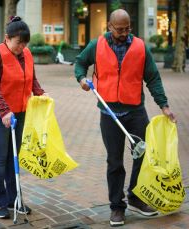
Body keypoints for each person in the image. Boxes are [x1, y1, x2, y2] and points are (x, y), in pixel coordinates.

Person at [75, 9, 176, 227]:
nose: (124, 33)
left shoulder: (140, 47)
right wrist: (81, 78)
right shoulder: (96, 45)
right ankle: (116, 208)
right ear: (109, 27)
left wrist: (164, 105)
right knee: (115, 161)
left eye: (127, 28)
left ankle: (136, 197)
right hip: (109, 113)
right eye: (119, 29)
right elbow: (79, 63)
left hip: (135, 111)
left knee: (144, 154)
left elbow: (153, 78)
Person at [0, 16, 47, 219]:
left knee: (14, 158)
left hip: (20, 113)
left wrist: (41, 93)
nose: (21, 47)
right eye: (18, 42)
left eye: (24, 43)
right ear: (7, 38)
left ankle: (15, 199)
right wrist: (4, 111)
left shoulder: (27, 54)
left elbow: (31, 79)